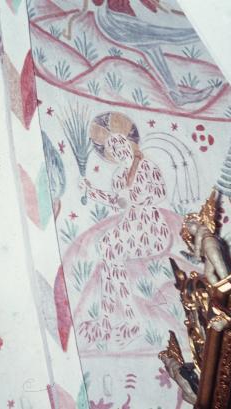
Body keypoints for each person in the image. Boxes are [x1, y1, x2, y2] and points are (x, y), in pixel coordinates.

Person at [79, 112, 170, 343]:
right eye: (113, 148)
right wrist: (92, 191)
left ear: (128, 144)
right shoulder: (119, 175)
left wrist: (136, 199)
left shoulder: (146, 166)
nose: (118, 150)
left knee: (111, 251)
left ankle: (124, 320)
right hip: (129, 225)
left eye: (120, 144)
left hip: (149, 227)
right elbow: (116, 201)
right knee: (107, 250)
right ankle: (112, 320)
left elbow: (160, 192)